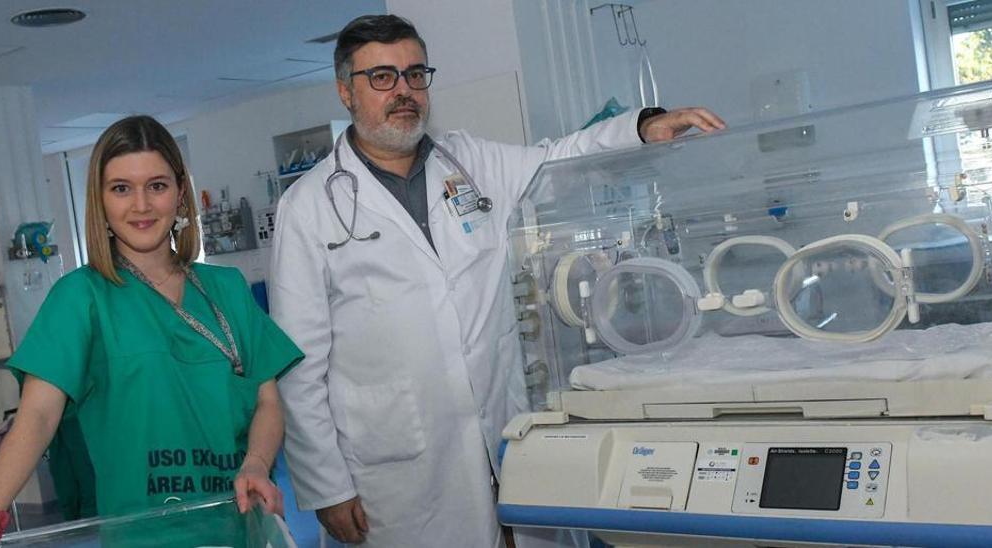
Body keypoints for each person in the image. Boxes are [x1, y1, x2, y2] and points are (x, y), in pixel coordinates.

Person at [268, 14, 724, 547]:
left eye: (416, 74)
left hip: (501, 423)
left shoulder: (471, 161)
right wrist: (327, 487)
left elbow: (557, 159)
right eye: (383, 77)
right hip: (394, 460)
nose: (404, 91)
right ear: (346, 90)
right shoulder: (308, 208)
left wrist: (640, 129)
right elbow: (298, 365)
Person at [0, 115, 303, 547]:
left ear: (179, 194)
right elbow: (38, 416)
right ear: (99, 201)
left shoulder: (226, 289)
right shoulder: (80, 298)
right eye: (121, 188)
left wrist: (255, 463)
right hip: (145, 536)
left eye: (156, 185)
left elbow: (268, 400)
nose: (141, 205)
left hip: (239, 524)